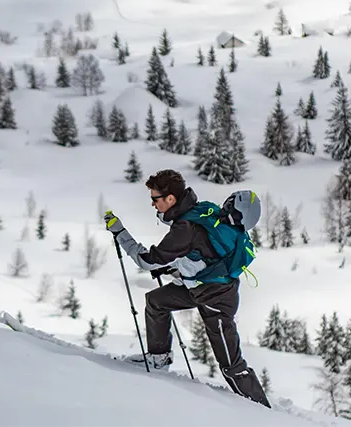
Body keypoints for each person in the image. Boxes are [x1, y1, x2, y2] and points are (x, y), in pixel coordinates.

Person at [103, 169, 270, 408]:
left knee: (231, 366)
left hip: (217, 300)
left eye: (155, 198)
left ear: (171, 199)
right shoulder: (201, 209)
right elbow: (202, 255)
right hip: (198, 288)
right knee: (156, 302)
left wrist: (120, 233)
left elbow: (146, 260)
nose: (152, 204)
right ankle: (159, 358)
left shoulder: (186, 227)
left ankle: (264, 413)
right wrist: (174, 268)